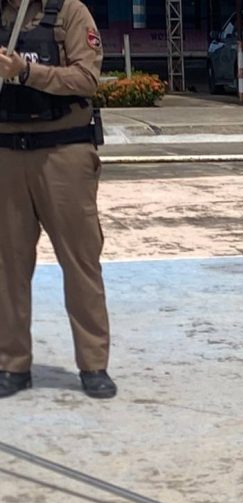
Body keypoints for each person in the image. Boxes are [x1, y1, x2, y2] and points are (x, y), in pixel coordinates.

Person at [0, 0, 115, 399]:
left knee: (80, 260)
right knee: (7, 265)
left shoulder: (68, 12)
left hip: (63, 151)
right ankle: (12, 363)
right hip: (6, 153)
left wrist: (25, 72)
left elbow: (86, 78)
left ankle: (93, 363)